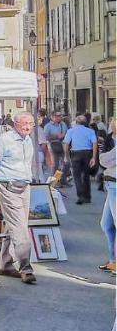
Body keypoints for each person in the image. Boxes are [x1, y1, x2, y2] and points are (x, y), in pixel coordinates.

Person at [0, 111, 38, 285]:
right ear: (15, 124)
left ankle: (5, 264)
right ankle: (25, 268)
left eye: (30, 123)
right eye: (24, 124)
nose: (28, 127)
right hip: (8, 187)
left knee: (14, 225)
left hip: (24, 187)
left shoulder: (27, 140)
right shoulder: (4, 140)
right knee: (21, 229)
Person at [64, 113, 98, 205]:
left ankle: (80, 196)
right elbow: (95, 144)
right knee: (86, 175)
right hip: (87, 153)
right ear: (86, 122)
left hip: (75, 153)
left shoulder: (71, 131)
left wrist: (66, 156)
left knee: (77, 176)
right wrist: (94, 157)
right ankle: (87, 197)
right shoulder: (90, 131)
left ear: (76, 122)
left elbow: (66, 145)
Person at [99, 119, 116, 273]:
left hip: (115, 184)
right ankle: (113, 260)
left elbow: (105, 161)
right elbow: (103, 161)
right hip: (110, 184)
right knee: (106, 224)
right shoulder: (110, 139)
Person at [43, 110, 69, 182]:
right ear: (52, 117)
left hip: (63, 145)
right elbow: (45, 137)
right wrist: (56, 136)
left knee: (66, 163)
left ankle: (63, 180)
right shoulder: (48, 126)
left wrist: (64, 136)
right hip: (53, 145)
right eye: (57, 116)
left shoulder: (63, 124)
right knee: (55, 164)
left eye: (60, 116)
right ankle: (54, 181)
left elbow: (66, 134)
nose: (59, 117)